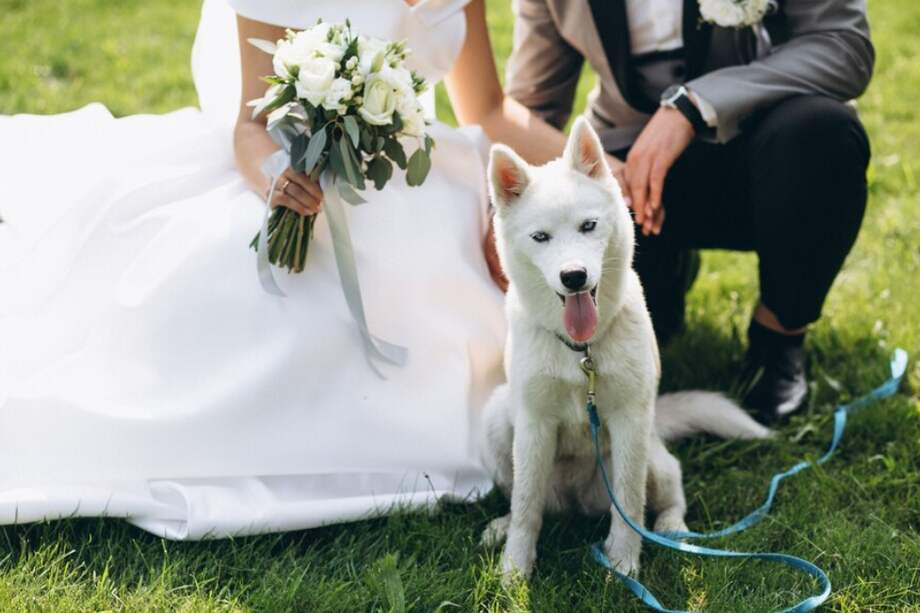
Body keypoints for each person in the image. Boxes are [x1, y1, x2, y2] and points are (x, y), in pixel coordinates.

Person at [0, 0, 613, 538]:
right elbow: (248, 123)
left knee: (475, 301)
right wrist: (280, 184)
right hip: (291, 174)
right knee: (264, 308)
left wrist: (601, 174)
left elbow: (487, 109)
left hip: (417, 177)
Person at [504, 0, 873, 422]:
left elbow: (843, 45)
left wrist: (695, 106)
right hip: (631, 171)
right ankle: (667, 269)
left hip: (761, 147)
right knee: (629, 331)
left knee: (825, 134)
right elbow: (534, 105)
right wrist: (515, 208)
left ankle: (779, 337)